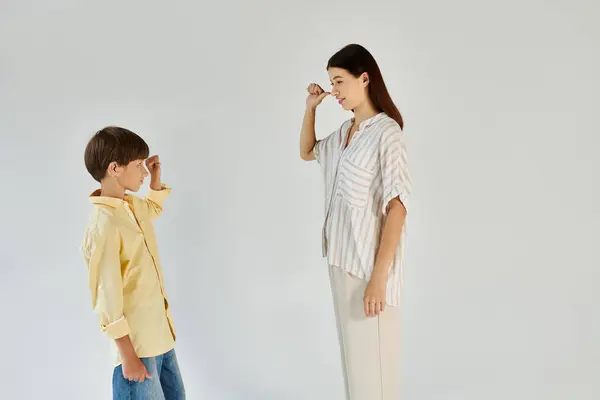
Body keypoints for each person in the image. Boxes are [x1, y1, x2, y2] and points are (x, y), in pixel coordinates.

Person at [299, 44, 411, 400]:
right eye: (332, 82)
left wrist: (378, 279)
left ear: (365, 79)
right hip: (340, 262)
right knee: (356, 374)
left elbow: (398, 208)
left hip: (368, 269)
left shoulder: (386, 132)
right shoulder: (347, 132)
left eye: (340, 82)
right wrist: (310, 110)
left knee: (374, 377)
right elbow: (308, 151)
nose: (334, 91)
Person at [80, 126, 185, 400]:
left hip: (160, 336)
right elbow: (107, 296)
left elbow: (153, 208)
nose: (144, 171)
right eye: (139, 165)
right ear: (114, 168)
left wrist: (156, 180)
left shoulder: (130, 206)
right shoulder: (103, 225)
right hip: (137, 346)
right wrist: (127, 355)